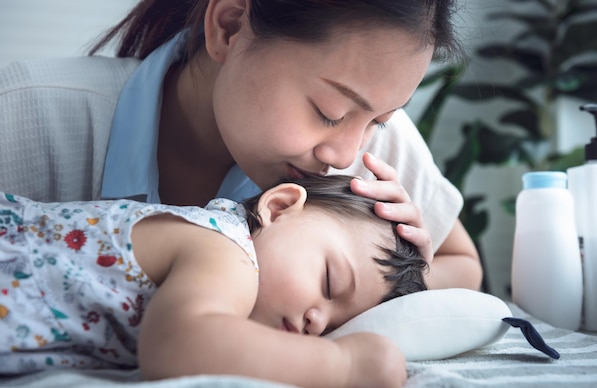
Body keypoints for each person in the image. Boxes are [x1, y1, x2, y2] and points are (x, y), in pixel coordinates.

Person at [0, 1, 481, 293]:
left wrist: (403, 276)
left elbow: (464, 266)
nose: (344, 152)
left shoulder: (374, 159)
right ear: (228, 27)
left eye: (378, 120)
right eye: (329, 112)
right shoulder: (23, 114)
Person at [0, 175, 427, 388]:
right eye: (330, 283)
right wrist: (344, 364)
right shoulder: (227, 250)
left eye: (336, 327)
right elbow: (177, 347)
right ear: (279, 208)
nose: (318, 322)